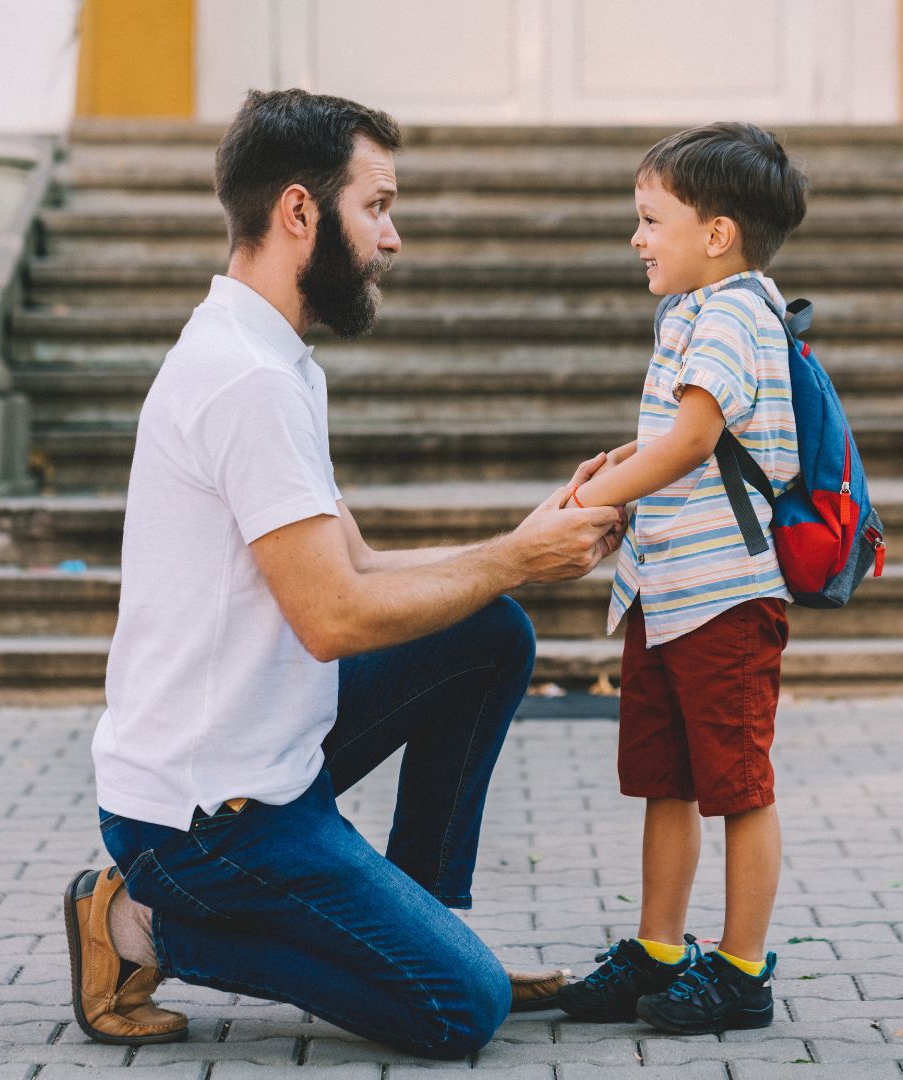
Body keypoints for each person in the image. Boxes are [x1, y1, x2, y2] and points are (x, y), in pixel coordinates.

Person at [62, 88, 623, 1059]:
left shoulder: (273, 360)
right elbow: (334, 618)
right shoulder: (247, 381)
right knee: (461, 1009)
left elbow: (354, 565)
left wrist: (522, 546)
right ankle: (139, 924)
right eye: (378, 207)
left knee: (488, 632)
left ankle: (421, 920)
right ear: (299, 210)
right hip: (203, 823)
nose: (392, 238)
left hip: (261, 752)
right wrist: (517, 558)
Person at [553, 123, 807, 1034]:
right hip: (665, 591)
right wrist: (614, 467)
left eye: (651, 219)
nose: (638, 237)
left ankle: (741, 972)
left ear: (718, 233)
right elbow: (676, 436)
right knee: (667, 778)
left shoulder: (737, 312)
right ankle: (660, 950)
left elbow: (696, 440)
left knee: (738, 785)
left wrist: (591, 504)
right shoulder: (693, 311)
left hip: (725, 595)